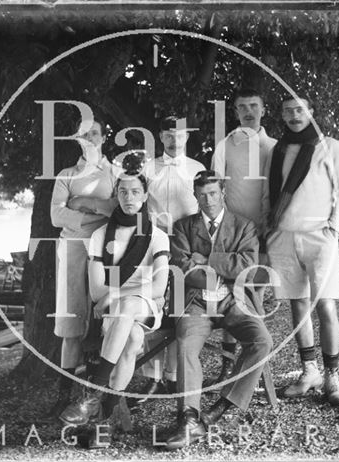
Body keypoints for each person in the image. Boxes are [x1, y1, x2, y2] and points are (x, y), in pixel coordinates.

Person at [165, 170, 273, 450]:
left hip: (234, 300)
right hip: (197, 301)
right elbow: (184, 269)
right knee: (186, 344)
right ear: (195, 195)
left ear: (223, 192)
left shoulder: (244, 226)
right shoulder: (182, 227)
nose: (208, 199)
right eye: (202, 194)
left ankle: (218, 410)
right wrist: (223, 270)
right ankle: (188, 418)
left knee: (262, 340)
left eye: (213, 193)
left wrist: (208, 258)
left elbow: (247, 268)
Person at [59, 167, 170, 426]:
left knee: (129, 305)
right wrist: (113, 297)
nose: (129, 198)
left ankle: (91, 394)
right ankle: (104, 415)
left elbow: (158, 287)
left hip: (147, 307)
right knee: (133, 337)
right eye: (122, 192)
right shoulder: (100, 236)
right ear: (116, 196)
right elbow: (98, 291)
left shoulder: (158, 236)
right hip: (114, 311)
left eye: (135, 192)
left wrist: (116, 294)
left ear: (144, 196)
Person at [266, 95, 339, 407]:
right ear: (281, 115)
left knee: (325, 305)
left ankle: (333, 376)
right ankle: (310, 371)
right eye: (287, 110)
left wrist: (335, 227)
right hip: (284, 236)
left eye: (299, 110)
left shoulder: (328, 146)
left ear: (310, 113)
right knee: (298, 304)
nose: (294, 115)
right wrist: (271, 229)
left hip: (320, 236)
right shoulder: (278, 149)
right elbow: (272, 193)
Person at [49, 117, 119, 416]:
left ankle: (100, 395)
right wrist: (96, 211)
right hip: (73, 248)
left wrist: (81, 203)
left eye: (95, 133)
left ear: (103, 137)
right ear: (77, 139)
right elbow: (56, 217)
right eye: (84, 135)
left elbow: (117, 211)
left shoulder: (116, 173)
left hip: (107, 248)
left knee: (108, 316)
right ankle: (64, 395)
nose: (90, 138)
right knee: (71, 322)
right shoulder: (65, 175)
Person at [134, 116, 205, 402]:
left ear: (187, 137)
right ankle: (152, 377)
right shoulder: (148, 169)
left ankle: (175, 375)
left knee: (180, 309)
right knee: (154, 305)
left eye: (180, 135)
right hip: (154, 247)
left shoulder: (197, 168)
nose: (175, 140)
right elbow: (140, 209)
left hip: (186, 249)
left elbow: (204, 212)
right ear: (161, 137)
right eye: (168, 135)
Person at [209, 87, 277, 387]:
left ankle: (256, 366)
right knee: (232, 295)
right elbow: (215, 188)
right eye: (242, 107)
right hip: (232, 236)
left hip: (265, 233)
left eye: (254, 105)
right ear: (235, 112)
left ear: (263, 109)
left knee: (257, 295)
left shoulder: (275, 147)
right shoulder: (225, 145)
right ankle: (227, 364)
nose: (248, 111)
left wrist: (269, 227)